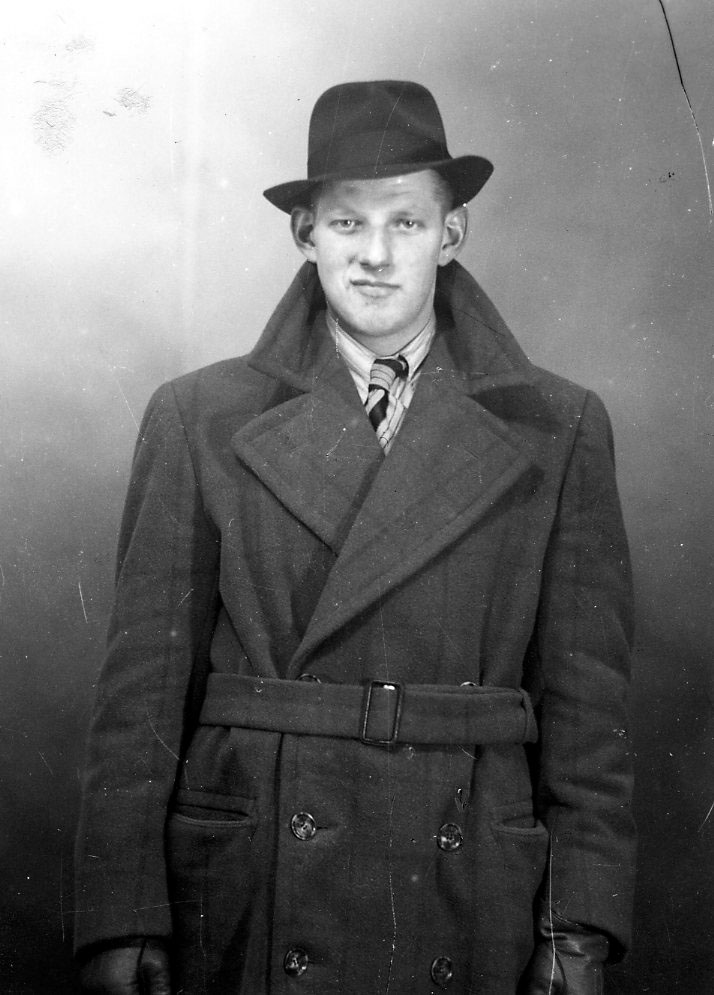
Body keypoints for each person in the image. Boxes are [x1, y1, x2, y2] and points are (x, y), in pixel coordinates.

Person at [74, 80, 636, 995]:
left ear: (451, 233)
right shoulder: (198, 416)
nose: (375, 255)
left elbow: (588, 715)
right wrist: (122, 918)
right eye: (346, 222)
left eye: (406, 221)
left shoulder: (558, 427)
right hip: (256, 872)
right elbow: (140, 699)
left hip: (466, 877)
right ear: (306, 233)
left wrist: (578, 926)